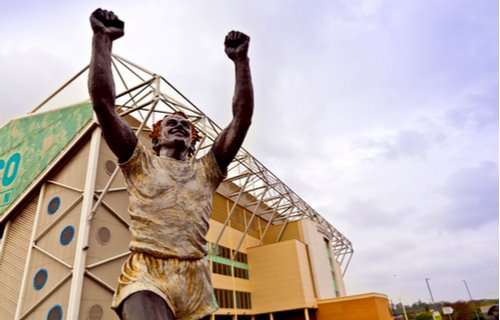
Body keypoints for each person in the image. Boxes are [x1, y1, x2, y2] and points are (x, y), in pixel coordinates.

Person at [88, 8, 254, 320]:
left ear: (193, 144)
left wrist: (241, 62)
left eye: (186, 127)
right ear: (155, 140)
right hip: (147, 273)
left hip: (194, 280)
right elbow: (103, 104)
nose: (179, 125)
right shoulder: (139, 162)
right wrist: (102, 40)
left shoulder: (207, 170)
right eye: (170, 124)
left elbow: (241, 119)